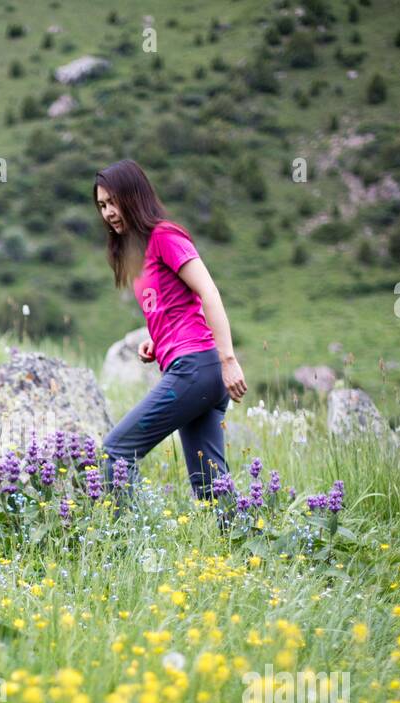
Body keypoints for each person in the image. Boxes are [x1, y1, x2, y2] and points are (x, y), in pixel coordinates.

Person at [93, 159, 249, 505]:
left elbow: (209, 292)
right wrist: (158, 341)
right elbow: (175, 306)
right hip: (193, 367)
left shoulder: (165, 236)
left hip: (197, 367)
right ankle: (251, 548)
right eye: (101, 206)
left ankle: (125, 548)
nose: (107, 213)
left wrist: (228, 360)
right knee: (211, 486)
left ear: (133, 197)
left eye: (113, 202)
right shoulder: (138, 252)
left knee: (115, 453)